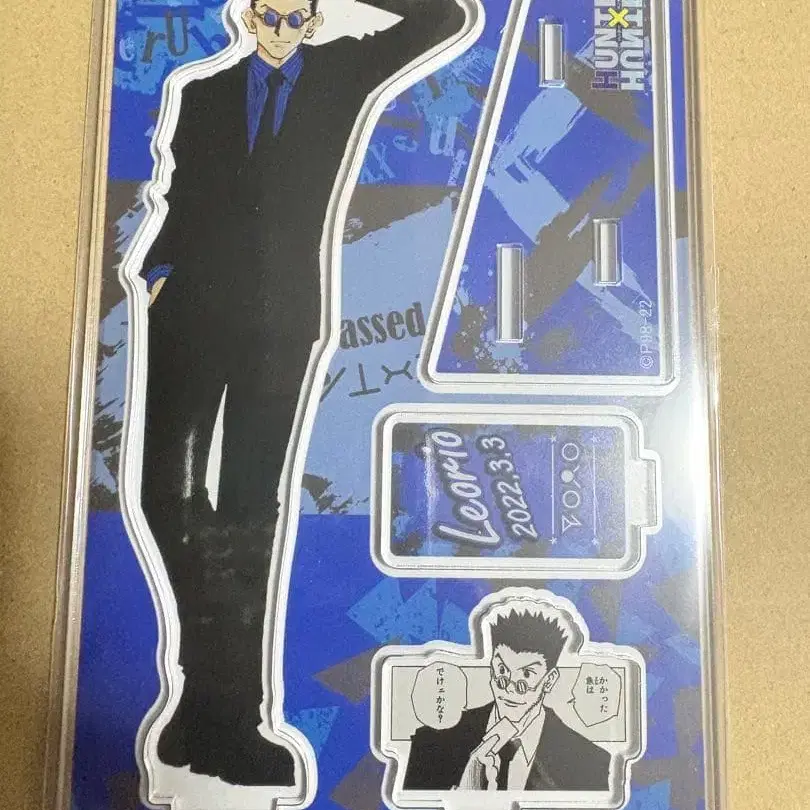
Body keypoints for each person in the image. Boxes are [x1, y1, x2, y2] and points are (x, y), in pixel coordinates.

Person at [138, 0, 468, 787]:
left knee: (250, 507)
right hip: (188, 311)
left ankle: (226, 716)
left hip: (280, 324)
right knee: (161, 496)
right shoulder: (204, 93)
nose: (280, 30)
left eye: (295, 17)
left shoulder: (342, 74)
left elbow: (443, 17)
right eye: (269, 15)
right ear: (249, 17)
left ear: (314, 20)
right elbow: (182, 195)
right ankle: (209, 698)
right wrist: (158, 271)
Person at [403, 608, 611, 791]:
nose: (510, 688)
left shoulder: (592, 762)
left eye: (527, 675)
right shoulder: (431, 743)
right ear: (491, 667)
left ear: (549, 681)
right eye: (502, 670)